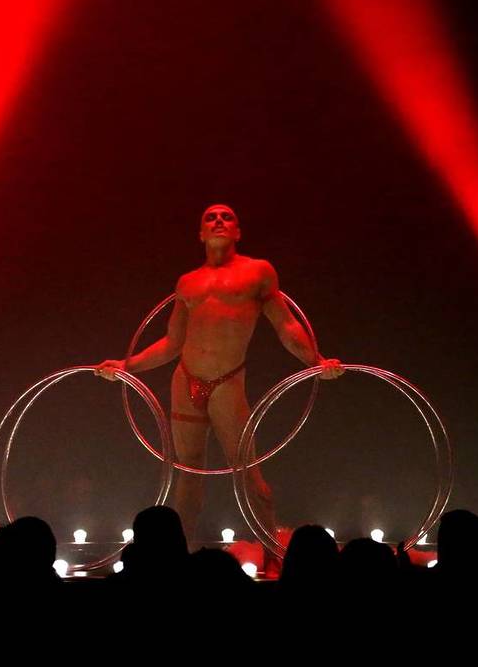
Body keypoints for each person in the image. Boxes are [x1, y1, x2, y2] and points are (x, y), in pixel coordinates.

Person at [97, 204, 343, 557]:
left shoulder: (257, 272)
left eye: (226, 217)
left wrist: (316, 361)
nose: (218, 221)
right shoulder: (187, 282)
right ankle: (175, 557)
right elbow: (171, 343)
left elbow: (286, 326)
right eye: (210, 218)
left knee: (249, 475)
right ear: (200, 234)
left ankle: (275, 556)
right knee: (187, 476)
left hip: (227, 384)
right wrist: (126, 365)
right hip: (185, 381)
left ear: (238, 231)